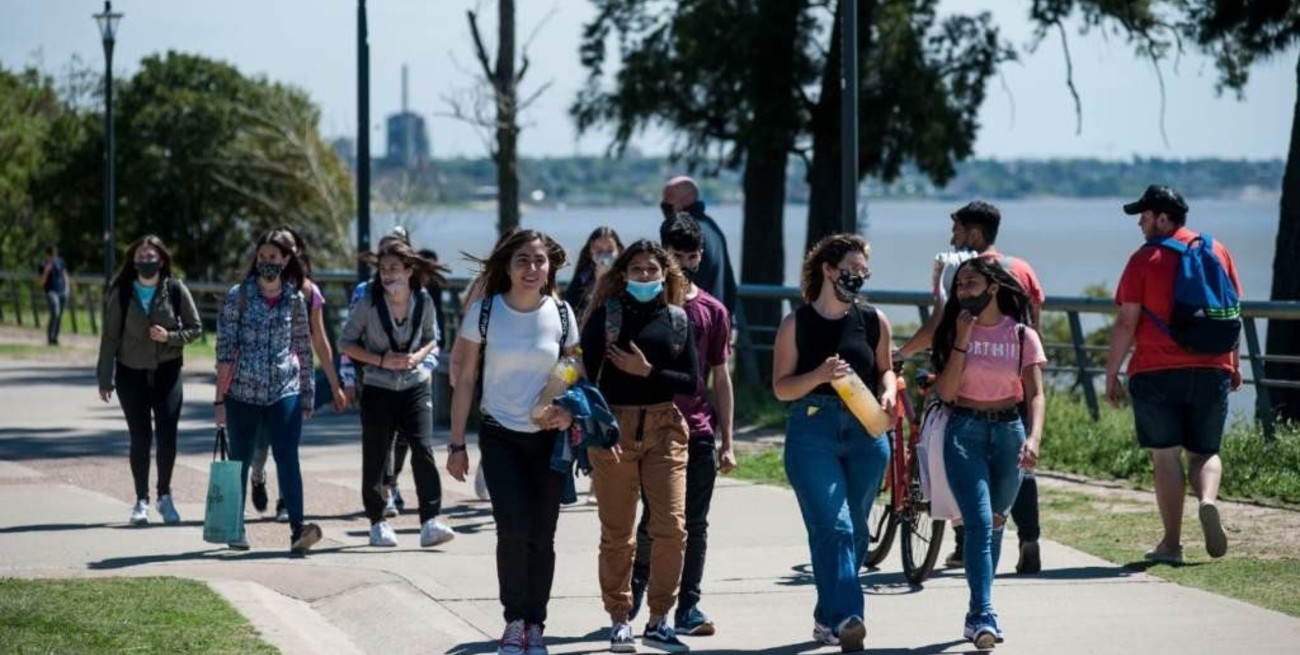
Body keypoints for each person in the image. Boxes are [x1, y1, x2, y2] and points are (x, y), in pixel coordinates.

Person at [445, 229, 580, 655]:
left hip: (549, 439)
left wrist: (566, 407)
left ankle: (536, 624)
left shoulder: (561, 312)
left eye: (539, 261)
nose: (531, 269)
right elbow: (465, 379)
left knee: (543, 534)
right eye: (522, 260)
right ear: (507, 265)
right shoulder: (485, 313)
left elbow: (574, 364)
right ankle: (514, 621)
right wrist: (455, 444)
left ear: (549, 267)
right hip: (500, 435)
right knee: (512, 530)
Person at [898, 200, 1048, 574]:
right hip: (1016, 378)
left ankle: (967, 544)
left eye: (957, 230)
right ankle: (1029, 539)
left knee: (967, 462)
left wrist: (901, 351)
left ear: (974, 233)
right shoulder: (1022, 269)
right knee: (1019, 463)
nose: (952, 238)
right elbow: (1034, 325)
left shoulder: (960, 272)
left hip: (969, 383)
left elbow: (938, 326)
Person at [1104, 184, 1242, 565]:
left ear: (1163, 218)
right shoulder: (1217, 250)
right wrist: (1234, 362)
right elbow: (1232, 314)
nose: (1141, 225)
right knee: (1206, 451)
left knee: (1166, 456)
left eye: (1144, 217)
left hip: (1155, 370)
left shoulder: (1143, 259)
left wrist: (1111, 374)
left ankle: (1172, 544)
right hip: (1211, 367)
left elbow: (1125, 323)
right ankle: (1209, 501)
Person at [771, 233, 894, 653]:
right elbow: (782, 388)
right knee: (834, 526)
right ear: (827, 269)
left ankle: (827, 616)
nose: (857, 278)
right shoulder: (797, 323)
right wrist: (819, 376)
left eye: (863, 272)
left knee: (857, 532)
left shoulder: (874, 320)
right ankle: (847, 617)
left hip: (866, 430)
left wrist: (891, 391)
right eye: (850, 271)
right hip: (813, 431)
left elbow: (886, 371)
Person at [582, 239, 698, 654]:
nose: (646, 277)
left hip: (665, 427)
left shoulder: (679, 320)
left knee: (671, 526)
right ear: (624, 275)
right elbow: (583, 377)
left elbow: (692, 384)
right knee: (618, 534)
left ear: (665, 274)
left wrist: (648, 371)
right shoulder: (606, 317)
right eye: (638, 270)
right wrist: (595, 430)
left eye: (653, 270)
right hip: (614, 427)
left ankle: (660, 618)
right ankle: (619, 619)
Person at [627, 214, 736, 637]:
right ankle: (637, 588)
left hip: (698, 428)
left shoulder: (712, 310)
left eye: (692, 256)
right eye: (676, 256)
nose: (685, 265)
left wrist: (729, 440)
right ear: (662, 255)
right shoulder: (643, 309)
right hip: (649, 426)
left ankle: (688, 604)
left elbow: (720, 378)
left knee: (695, 522)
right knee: (655, 517)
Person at [931, 256, 1046, 650]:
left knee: (997, 522)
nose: (963, 291)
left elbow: (1036, 394)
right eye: (959, 285)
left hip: (1010, 432)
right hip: (964, 431)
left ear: (993, 288)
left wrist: (1034, 438)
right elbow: (945, 393)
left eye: (971, 284)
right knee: (979, 523)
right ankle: (983, 612)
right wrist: (961, 340)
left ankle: (977, 609)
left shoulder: (1021, 335)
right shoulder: (953, 330)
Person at [339, 240, 456, 549]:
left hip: (415, 386)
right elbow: (346, 343)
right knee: (375, 456)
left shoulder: (424, 301)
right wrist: (380, 360)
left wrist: (418, 355)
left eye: (394, 268)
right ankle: (378, 522)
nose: (387, 275)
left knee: (423, 448)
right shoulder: (369, 303)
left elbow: (433, 339)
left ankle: (430, 521)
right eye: (382, 269)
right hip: (378, 388)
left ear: (409, 270)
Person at [214, 229, 322, 554]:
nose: (267, 263)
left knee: (288, 458)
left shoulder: (295, 299)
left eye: (273, 258)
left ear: (286, 260)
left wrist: (307, 393)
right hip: (243, 393)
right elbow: (224, 350)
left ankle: (298, 530)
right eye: (262, 257)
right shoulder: (239, 296)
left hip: (283, 391)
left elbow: (303, 347)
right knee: (240, 461)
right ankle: (235, 528)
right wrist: (220, 399)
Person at [96, 235, 202, 525]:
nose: (146, 260)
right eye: (141, 256)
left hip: (168, 371)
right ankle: (140, 500)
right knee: (140, 438)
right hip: (131, 373)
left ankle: (164, 496)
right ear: (133, 260)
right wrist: (105, 377)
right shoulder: (121, 292)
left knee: (168, 436)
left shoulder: (175, 289)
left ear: (162, 259)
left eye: (151, 255)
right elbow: (110, 337)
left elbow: (196, 329)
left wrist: (170, 337)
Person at [249, 226, 349, 523]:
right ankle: (257, 475)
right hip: (256, 380)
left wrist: (335, 383)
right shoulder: (254, 287)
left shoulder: (308, 292)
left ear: (292, 254)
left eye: (284, 249)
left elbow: (320, 340)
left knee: (286, 446)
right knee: (261, 444)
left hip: (291, 380)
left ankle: (284, 503)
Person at [660, 176, 737, 314]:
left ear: (688, 198)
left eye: (669, 196)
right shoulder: (712, 228)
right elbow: (729, 281)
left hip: (694, 318)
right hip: (714, 315)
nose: (664, 202)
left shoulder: (684, 233)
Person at [564, 226, 624, 321]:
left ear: (619, 251)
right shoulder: (581, 280)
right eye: (599, 251)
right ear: (590, 252)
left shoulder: (627, 280)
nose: (604, 255)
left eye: (610, 250)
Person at [40, 244, 70, 346]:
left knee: (59, 316)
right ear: (47, 255)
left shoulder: (60, 262)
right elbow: (42, 282)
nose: (54, 256)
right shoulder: (43, 264)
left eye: (55, 254)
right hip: (51, 292)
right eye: (52, 254)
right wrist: (46, 271)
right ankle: (50, 337)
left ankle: (55, 338)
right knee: (55, 313)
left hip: (62, 291)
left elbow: (64, 275)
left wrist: (67, 288)